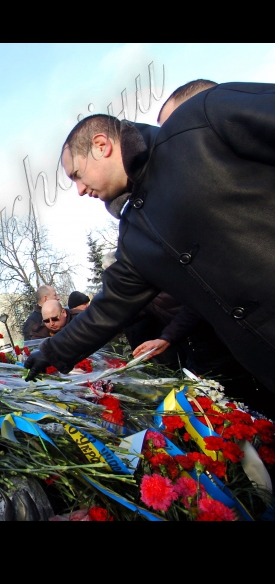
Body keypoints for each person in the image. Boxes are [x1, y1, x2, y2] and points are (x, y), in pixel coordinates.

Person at [25, 82, 275, 417]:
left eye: (78, 175)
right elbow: (110, 307)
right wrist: (51, 353)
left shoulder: (200, 122)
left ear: (101, 146)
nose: (81, 190)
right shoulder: (135, 234)